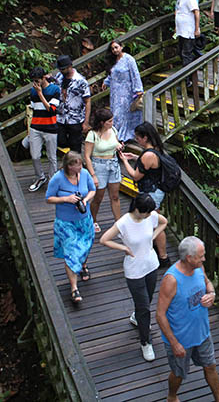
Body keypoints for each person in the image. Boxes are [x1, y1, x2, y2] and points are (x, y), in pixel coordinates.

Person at [99, 193, 168, 362]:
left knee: (148, 299)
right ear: (137, 209)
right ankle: (145, 342)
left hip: (151, 265)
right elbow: (104, 239)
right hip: (134, 270)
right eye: (146, 212)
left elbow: (164, 222)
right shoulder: (123, 222)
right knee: (144, 307)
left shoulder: (150, 216)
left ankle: (136, 318)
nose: (149, 215)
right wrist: (123, 248)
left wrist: (152, 237)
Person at [157, 236, 219, 402]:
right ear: (189, 258)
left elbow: (208, 284)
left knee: (211, 366)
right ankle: (172, 396)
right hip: (181, 338)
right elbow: (160, 314)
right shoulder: (171, 280)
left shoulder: (199, 268)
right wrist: (174, 343)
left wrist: (212, 294)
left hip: (202, 333)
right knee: (179, 373)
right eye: (201, 256)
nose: (204, 259)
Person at [46, 151, 96, 303]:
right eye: (77, 165)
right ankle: (74, 288)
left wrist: (86, 200)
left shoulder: (85, 174)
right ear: (69, 166)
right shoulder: (58, 178)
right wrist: (66, 199)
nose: (80, 167)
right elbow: (49, 198)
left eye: (81, 164)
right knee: (71, 252)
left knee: (86, 244)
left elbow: (93, 189)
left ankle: (83, 264)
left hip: (84, 219)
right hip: (66, 222)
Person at [119, 122, 170, 266]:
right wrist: (135, 158)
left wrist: (124, 161)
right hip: (156, 190)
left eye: (138, 137)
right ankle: (159, 251)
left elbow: (135, 176)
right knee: (155, 221)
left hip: (152, 193)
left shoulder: (148, 154)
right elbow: (149, 165)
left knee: (156, 223)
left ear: (145, 137)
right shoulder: (156, 148)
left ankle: (163, 256)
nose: (137, 140)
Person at [83, 108, 123, 234]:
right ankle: (93, 220)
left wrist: (120, 147)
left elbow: (116, 143)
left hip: (113, 163)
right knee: (98, 197)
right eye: (109, 121)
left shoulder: (113, 130)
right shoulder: (92, 134)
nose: (112, 123)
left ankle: (118, 222)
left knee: (115, 196)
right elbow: (87, 157)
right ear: (102, 122)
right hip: (98, 165)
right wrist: (93, 175)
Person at [27, 67, 61, 192]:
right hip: (36, 127)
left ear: (43, 78)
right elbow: (33, 107)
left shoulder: (54, 89)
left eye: (37, 80)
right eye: (33, 81)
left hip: (50, 128)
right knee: (35, 156)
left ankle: (52, 180)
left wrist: (40, 93)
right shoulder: (32, 91)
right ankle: (40, 177)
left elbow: (51, 110)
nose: (36, 84)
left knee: (52, 157)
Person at [103, 41, 143, 143]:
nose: (115, 50)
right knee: (115, 113)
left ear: (121, 47)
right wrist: (106, 82)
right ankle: (117, 134)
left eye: (116, 47)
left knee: (124, 113)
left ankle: (125, 135)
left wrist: (138, 89)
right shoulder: (114, 60)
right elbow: (112, 73)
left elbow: (135, 74)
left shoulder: (129, 59)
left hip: (126, 91)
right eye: (112, 49)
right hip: (115, 92)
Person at [54, 55, 91, 153]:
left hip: (75, 118)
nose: (62, 71)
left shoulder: (80, 81)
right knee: (60, 141)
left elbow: (87, 101)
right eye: (60, 69)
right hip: (61, 117)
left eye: (64, 69)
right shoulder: (58, 77)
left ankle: (76, 164)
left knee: (75, 146)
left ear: (70, 66)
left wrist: (86, 122)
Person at [171, 0, 202, 68]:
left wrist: (197, 29)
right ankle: (191, 72)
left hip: (188, 31)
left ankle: (188, 78)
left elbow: (196, 12)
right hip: (181, 31)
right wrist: (176, 27)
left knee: (186, 54)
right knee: (181, 52)